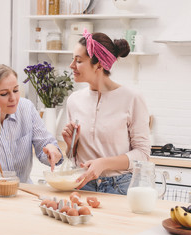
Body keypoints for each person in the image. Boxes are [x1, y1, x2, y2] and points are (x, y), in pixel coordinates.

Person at [62, 29, 151, 195]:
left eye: (78, 60)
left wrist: (104, 163)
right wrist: (71, 146)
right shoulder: (74, 100)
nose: (71, 66)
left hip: (120, 187)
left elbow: (143, 154)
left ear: (99, 64)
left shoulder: (132, 98)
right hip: (82, 185)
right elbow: (73, 159)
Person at [0, 63, 62, 183]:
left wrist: (51, 150)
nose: (13, 98)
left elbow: (45, 144)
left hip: (20, 189)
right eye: (4, 94)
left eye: (15, 90)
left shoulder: (26, 108)